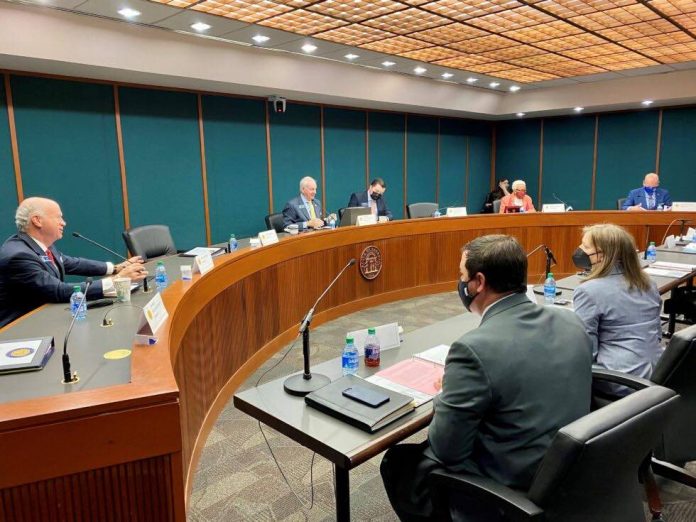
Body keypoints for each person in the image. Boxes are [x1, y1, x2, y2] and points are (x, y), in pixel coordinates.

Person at [380, 235, 592, 521]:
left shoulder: (473, 349)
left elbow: (447, 450)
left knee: (398, 462)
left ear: (478, 283)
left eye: (461, 275)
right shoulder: (571, 320)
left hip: (511, 487)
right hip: (567, 471)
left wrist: (446, 391)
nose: (460, 282)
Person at [0, 197, 147, 328]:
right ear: (37, 220)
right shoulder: (18, 256)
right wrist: (116, 280)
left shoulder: (41, 245)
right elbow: (58, 291)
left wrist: (115, 268)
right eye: (58, 217)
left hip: (42, 319)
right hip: (17, 330)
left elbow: (71, 263)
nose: (63, 223)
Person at [572, 224, 662, 396]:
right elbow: (657, 334)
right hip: (658, 374)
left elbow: (586, 350)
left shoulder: (588, 291)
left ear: (603, 255)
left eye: (586, 246)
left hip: (619, 380)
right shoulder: (649, 284)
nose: (580, 250)